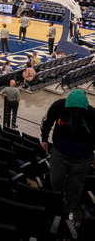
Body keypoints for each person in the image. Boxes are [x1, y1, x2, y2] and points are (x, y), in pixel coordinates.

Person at [40, 89, 95, 221]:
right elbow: (47, 121)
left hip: (82, 157)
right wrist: (44, 138)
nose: (75, 113)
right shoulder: (58, 106)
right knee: (56, 180)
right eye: (73, 110)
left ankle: (71, 208)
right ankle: (59, 201)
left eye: (78, 110)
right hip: (60, 152)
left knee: (75, 187)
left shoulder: (92, 114)